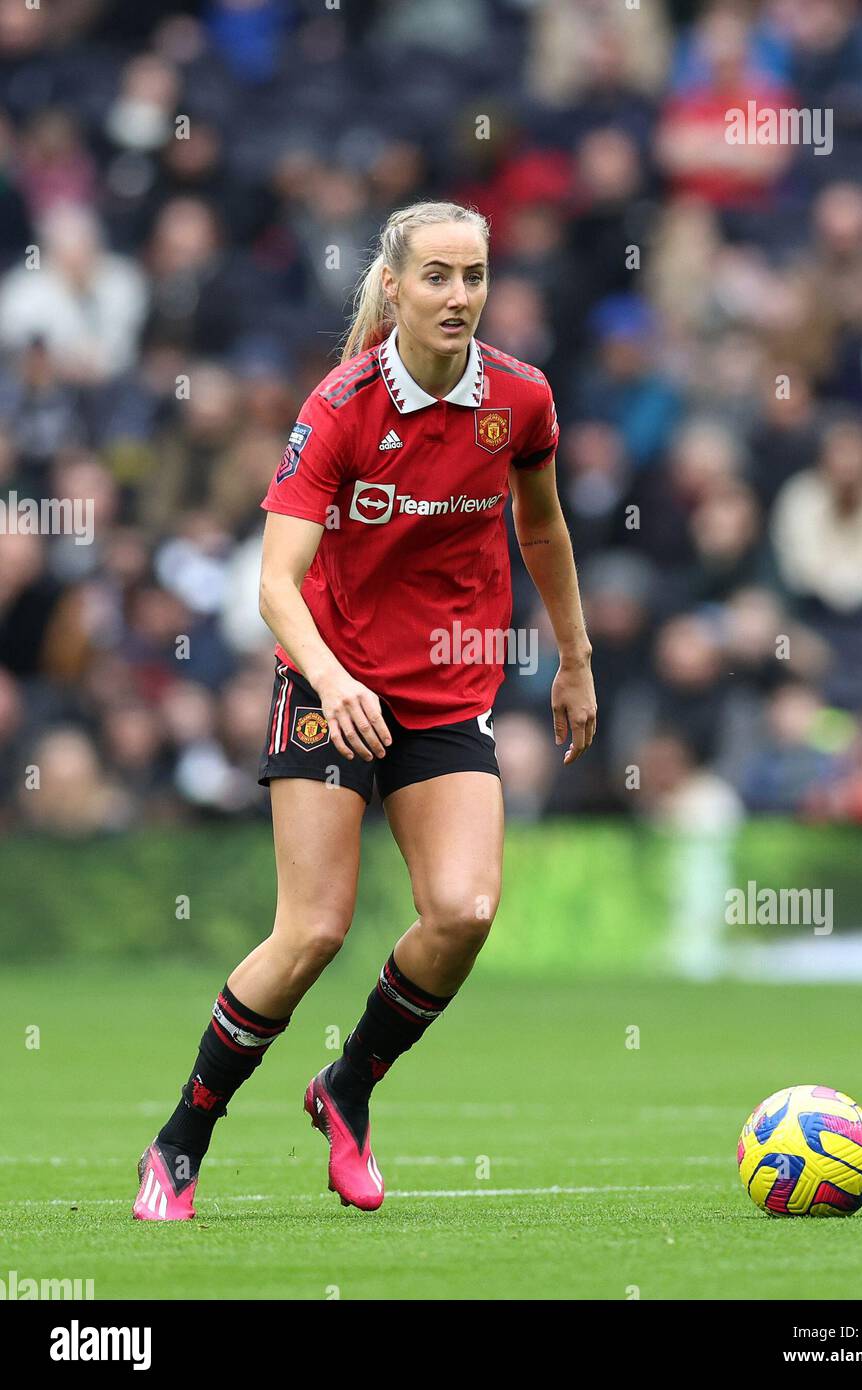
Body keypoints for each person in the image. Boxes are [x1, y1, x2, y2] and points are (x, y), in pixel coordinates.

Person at [132, 200, 597, 1219]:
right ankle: (180, 1139)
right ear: (393, 286)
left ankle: (346, 1087)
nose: (457, 296)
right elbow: (274, 584)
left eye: (472, 276)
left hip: (443, 693)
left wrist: (574, 654)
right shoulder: (339, 406)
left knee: (466, 910)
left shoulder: (517, 399)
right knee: (312, 931)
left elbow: (544, 526)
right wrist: (334, 679)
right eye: (436, 276)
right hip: (327, 684)